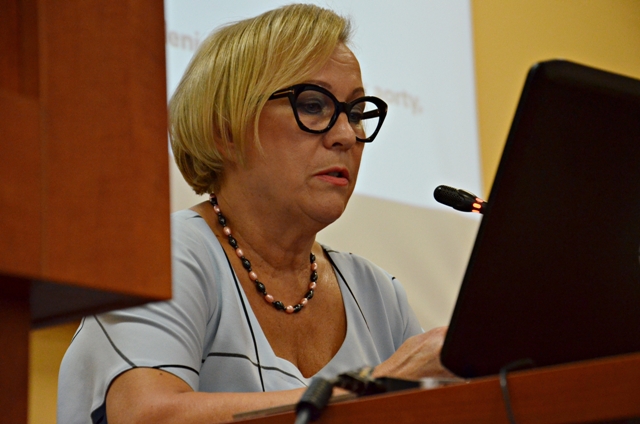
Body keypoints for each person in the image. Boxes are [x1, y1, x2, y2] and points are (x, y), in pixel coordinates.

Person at [57, 4, 452, 423]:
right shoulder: (162, 255)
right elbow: (148, 417)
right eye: (313, 105)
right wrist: (378, 385)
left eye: (355, 114)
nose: (346, 135)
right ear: (226, 129)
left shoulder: (380, 296)